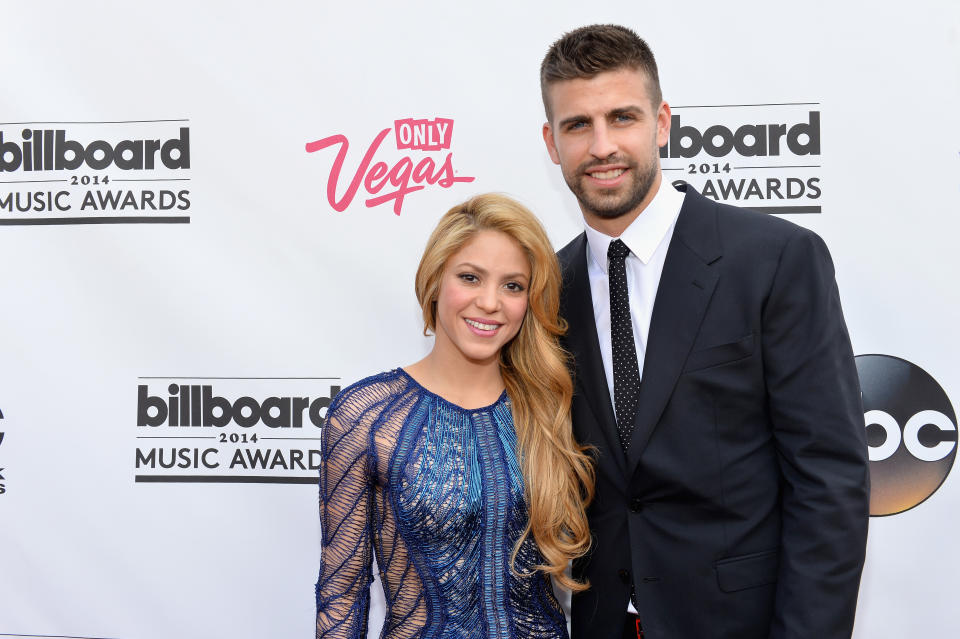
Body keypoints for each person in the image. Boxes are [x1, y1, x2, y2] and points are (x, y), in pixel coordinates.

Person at [539, 25, 870, 639]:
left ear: (662, 123)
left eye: (623, 117)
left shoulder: (773, 260)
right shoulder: (544, 289)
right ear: (552, 143)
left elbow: (829, 480)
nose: (602, 145)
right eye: (577, 125)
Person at [314, 193, 595, 639]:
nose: (489, 302)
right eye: (470, 277)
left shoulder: (549, 409)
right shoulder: (366, 415)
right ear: (435, 281)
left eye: (512, 285)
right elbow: (342, 594)